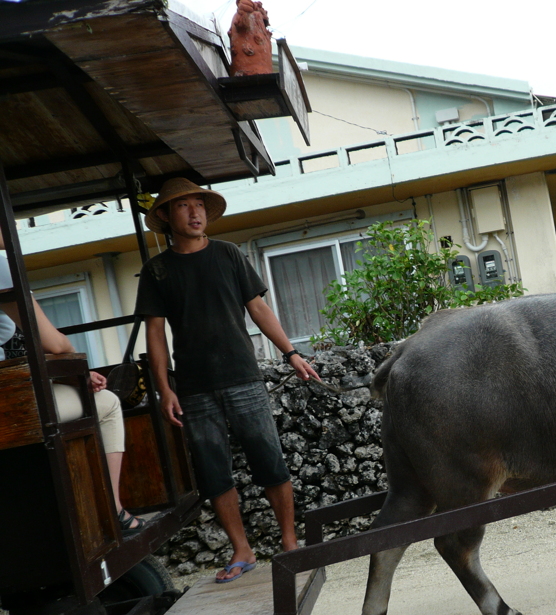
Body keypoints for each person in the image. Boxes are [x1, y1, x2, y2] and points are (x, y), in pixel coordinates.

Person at [134, 178, 320, 583]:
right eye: (183, 206)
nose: (195, 212)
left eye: (198, 204)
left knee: (269, 460)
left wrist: (291, 353)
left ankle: (290, 543)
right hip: (194, 389)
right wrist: (165, 388)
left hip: (243, 376)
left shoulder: (229, 254)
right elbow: (154, 334)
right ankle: (242, 550)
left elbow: (258, 307)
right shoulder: (157, 271)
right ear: (165, 216)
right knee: (214, 473)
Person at [0, 232, 142, 533]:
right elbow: (56, 345)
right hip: (8, 406)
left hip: (9, 393)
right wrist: (77, 373)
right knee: (107, 403)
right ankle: (111, 508)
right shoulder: (0, 266)